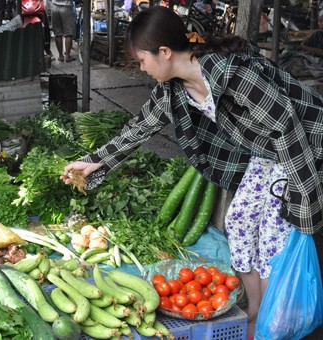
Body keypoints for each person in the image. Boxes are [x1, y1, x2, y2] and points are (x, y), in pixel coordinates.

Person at [60, 6, 323, 338]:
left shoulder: (234, 74)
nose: (141, 68)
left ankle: (274, 319)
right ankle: (255, 315)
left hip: (305, 144)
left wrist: (304, 204)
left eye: (142, 59)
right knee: (239, 220)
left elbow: (287, 129)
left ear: (165, 52)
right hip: (267, 151)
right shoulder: (174, 89)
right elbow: (139, 128)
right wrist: (95, 162)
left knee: (272, 236)